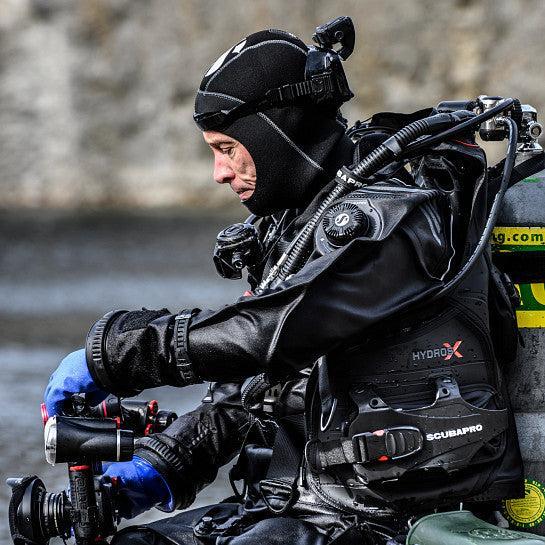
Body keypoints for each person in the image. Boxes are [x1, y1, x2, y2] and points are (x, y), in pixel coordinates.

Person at [44, 26, 523, 545]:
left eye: (228, 148)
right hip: (296, 504)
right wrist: (159, 468)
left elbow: (267, 335)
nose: (219, 172)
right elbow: (255, 389)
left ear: (277, 134)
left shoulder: (394, 221)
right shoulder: (299, 223)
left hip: (382, 517)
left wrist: (113, 356)